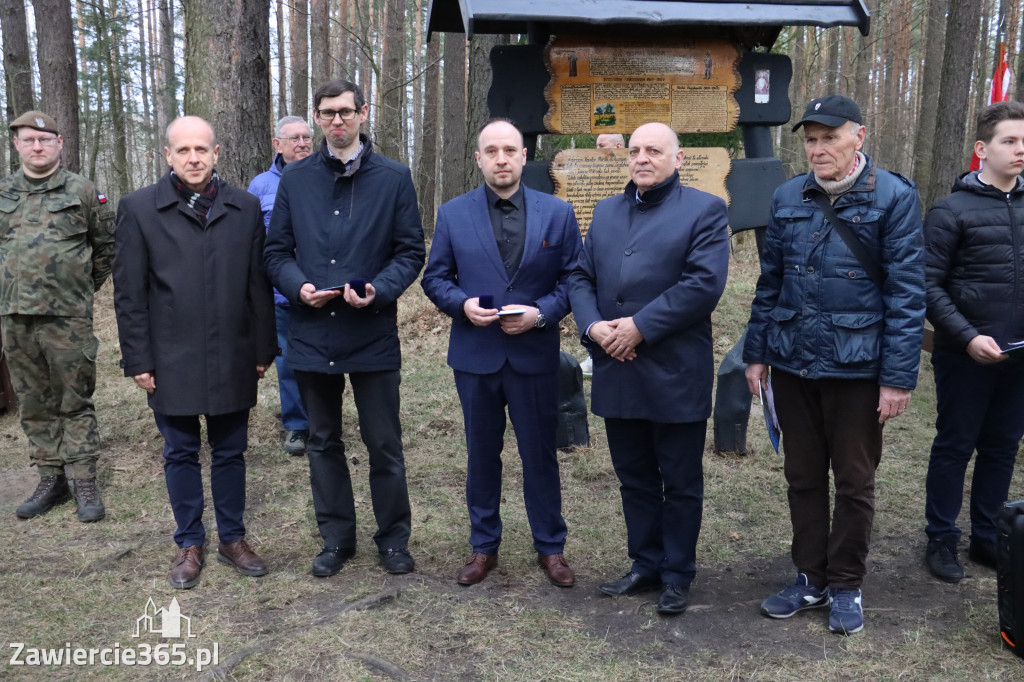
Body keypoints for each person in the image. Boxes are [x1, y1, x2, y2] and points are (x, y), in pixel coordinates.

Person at [744, 95, 925, 634]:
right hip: (794, 362)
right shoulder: (787, 196)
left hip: (859, 368)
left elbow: (907, 294)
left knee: (853, 480)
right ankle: (809, 577)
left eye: (830, 137)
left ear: (859, 136)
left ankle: (845, 583)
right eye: (811, 139)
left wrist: (896, 377)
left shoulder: (893, 198)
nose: (818, 149)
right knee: (802, 476)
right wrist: (756, 353)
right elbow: (769, 284)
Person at [264, 79, 425, 578]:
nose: (337, 120)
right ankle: (336, 539)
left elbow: (410, 251)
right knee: (323, 441)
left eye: (346, 112)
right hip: (312, 332)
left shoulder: (394, 178)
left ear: (363, 113)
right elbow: (276, 253)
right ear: (316, 117)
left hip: (371, 331)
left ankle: (393, 540)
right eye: (328, 113)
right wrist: (298, 287)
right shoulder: (296, 180)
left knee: (384, 443)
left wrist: (380, 288)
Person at [569, 122, 730, 615]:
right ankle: (645, 562)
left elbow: (703, 285)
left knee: (679, 480)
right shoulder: (606, 211)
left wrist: (638, 327)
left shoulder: (704, 211)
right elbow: (580, 275)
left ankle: (678, 572)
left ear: (677, 159)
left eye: (653, 150)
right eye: (635, 150)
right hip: (617, 367)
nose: (642, 158)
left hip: (674, 368)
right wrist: (595, 328)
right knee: (634, 476)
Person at [113, 116, 277, 589]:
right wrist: (138, 359)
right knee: (180, 451)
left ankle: (233, 539)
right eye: (183, 150)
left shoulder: (243, 207)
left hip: (233, 351)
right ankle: (189, 542)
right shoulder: (140, 208)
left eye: (201, 149)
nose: (193, 158)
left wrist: (264, 346)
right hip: (170, 357)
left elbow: (257, 286)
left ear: (217, 152)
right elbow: (129, 293)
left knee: (230, 452)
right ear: (168, 155)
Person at [421, 118, 583, 587]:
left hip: (534, 353)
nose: (501, 159)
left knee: (540, 455)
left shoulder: (557, 213)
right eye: (491, 151)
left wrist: (543, 315)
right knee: (481, 454)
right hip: (476, 355)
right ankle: (483, 546)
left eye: (509, 150)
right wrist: (461, 305)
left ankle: (551, 547)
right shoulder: (453, 213)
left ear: (524, 155)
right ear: (478, 159)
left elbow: (573, 279)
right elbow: (436, 278)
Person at [922, 101, 1024, 583]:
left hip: (1020, 356)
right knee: (955, 445)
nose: (1020, 150)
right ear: (982, 149)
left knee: (1002, 447)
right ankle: (941, 538)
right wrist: (966, 338)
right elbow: (927, 286)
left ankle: (987, 536)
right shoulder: (951, 210)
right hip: (966, 354)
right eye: (1010, 140)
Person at [2, 110, 114, 523]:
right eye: (29, 140)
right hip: (15, 317)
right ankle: (51, 477)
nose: (37, 147)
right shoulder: (3, 192)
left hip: (68, 318)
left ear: (59, 144)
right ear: (17, 145)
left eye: (44, 140)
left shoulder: (82, 191)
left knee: (74, 399)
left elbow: (105, 248)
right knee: (33, 401)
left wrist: (79, 291)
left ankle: (83, 479)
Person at [248, 116, 313, 456]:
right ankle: (297, 426)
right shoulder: (260, 186)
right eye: (294, 138)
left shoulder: (324, 175)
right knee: (288, 362)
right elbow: (251, 242)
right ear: (277, 144)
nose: (302, 143)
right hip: (280, 294)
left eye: (306, 137)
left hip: (323, 292)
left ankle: (325, 420)